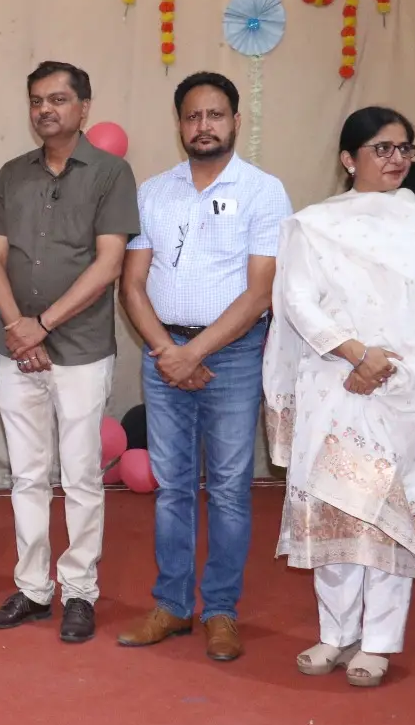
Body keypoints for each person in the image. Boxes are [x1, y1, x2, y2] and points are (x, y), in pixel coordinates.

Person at [263, 107, 415, 688]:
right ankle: (335, 632)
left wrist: (385, 367)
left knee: (388, 516)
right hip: (334, 382)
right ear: (349, 159)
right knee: (336, 509)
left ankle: (379, 641)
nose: (396, 159)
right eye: (382, 148)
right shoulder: (314, 224)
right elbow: (297, 300)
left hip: (401, 391)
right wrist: (353, 353)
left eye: (405, 148)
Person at [116, 72, 292, 662]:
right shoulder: (153, 192)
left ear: (236, 121)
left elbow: (260, 292)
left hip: (233, 358)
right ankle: (171, 605)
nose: (204, 126)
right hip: (163, 352)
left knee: (230, 490)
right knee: (172, 489)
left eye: (215, 115)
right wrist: (169, 351)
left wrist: (194, 353)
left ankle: (220, 611)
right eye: (193, 116)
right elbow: (132, 283)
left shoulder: (263, 191)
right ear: (179, 124)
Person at [0, 60, 139, 643]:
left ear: (84, 108)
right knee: (26, 475)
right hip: (16, 347)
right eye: (37, 101)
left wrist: (41, 325)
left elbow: (109, 263)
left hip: (81, 349)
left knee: (81, 476)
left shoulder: (111, 173)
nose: (46, 109)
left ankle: (80, 592)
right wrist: (18, 328)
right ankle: (32, 588)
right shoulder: (12, 174)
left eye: (59, 99)